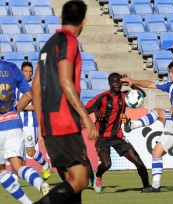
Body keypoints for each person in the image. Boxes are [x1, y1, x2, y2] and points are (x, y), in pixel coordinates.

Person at [32, 1, 99, 203]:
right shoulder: (69, 41)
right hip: (64, 121)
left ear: (61, 19)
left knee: (71, 183)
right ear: (84, 21)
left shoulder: (48, 44)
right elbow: (65, 81)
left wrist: (40, 123)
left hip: (49, 122)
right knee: (80, 179)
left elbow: (35, 87)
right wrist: (86, 118)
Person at [121, 59, 173, 192]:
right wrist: (133, 81)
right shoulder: (170, 85)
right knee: (156, 152)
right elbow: (151, 84)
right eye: (169, 72)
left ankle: (132, 125)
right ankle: (155, 186)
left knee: (157, 111)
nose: (171, 75)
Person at [85, 73, 150, 193]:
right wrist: (94, 110)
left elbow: (142, 95)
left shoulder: (125, 96)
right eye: (114, 82)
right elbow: (84, 109)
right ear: (109, 84)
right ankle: (98, 176)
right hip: (102, 137)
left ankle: (147, 187)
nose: (117, 84)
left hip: (118, 136)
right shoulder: (102, 97)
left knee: (138, 162)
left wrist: (131, 85)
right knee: (106, 164)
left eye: (118, 82)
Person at [0, 60, 50, 204]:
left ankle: (28, 202)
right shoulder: (11, 68)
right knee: (18, 166)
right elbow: (28, 95)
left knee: (2, 170)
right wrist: (15, 111)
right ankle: (41, 184)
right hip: (14, 123)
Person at [15, 61, 51, 181]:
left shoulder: (36, 87)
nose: (28, 74)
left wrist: (21, 106)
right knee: (17, 151)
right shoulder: (15, 85)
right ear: (21, 72)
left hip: (30, 123)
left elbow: (38, 106)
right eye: (26, 71)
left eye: (30, 71)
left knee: (30, 151)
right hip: (16, 124)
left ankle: (45, 165)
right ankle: (15, 178)